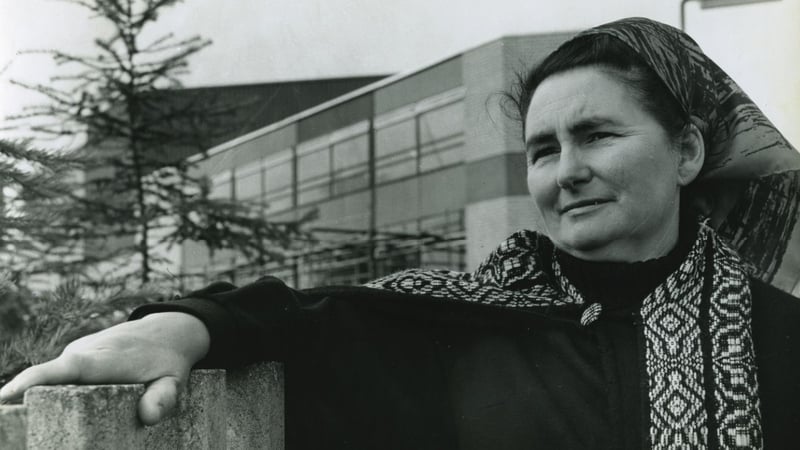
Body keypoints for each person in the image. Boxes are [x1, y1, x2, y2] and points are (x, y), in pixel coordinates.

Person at [2, 17, 800, 449]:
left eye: (597, 136)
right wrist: (180, 329)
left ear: (688, 149)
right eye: (543, 150)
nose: (566, 171)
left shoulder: (785, 342)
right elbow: (301, 321)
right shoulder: (459, 321)